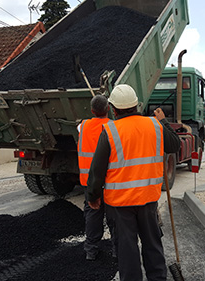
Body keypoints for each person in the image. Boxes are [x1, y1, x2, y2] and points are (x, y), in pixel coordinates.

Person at [86, 84, 180, 281]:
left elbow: (97, 170)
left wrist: (93, 197)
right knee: (153, 246)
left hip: (120, 205)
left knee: (127, 252)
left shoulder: (110, 131)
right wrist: (164, 121)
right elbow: (175, 144)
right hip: (148, 201)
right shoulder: (155, 125)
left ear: (113, 108)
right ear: (136, 105)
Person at [77, 95, 116, 261]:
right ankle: (116, 250)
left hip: (89, 181)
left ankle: (91, 250)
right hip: (110, 181)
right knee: (114, 216)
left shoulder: (83, 126)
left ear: (92, 111)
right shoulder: (113, 127)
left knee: (93, 214)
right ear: (108, 109)